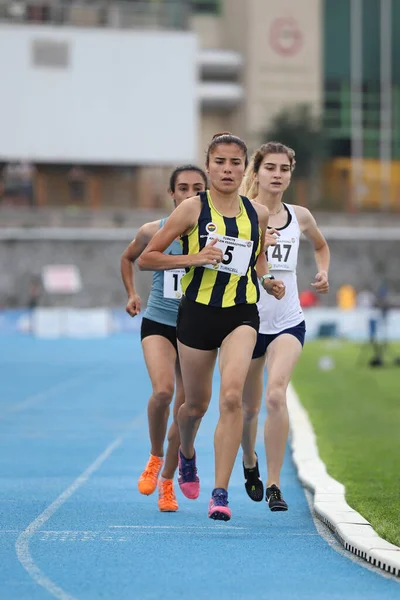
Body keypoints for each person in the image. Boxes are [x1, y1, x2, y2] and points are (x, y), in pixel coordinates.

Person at [138, 133, 285, 521]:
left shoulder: (258, 214)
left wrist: (267, 281)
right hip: (198, 314)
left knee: (232, 397)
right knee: (194, 406)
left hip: (241, 313)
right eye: (220, 162)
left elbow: (256, 263)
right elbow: (147, 259)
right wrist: (195, 257)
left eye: (236, 162)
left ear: (245, 169)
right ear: (209, 166)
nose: (227, 169)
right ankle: (186, 453)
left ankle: (220, 493)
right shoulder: (190, 209)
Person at [239, 141, 330, 511]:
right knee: (247, 408)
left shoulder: (301, 216)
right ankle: (249, 461)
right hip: (245, 321)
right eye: (270, 168)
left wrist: (323, 271)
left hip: (288, 321)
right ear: (257, 173)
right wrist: (257, 245)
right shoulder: (242, 214)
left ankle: (274, 483)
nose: (277, 175)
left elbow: (321, 246)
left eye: (284, 169)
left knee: (277, 394)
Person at [120, 164, 208, 512]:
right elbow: (130, 259)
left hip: (196, 328)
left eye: (197, 188)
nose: (189, 195)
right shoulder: (153, 230)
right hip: (158, 320)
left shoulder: (218, 234)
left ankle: (168, 481)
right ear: (172, 194)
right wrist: (131, 293)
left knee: (187, 412)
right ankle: (155, 457)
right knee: (162, 392)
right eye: (182, 188)